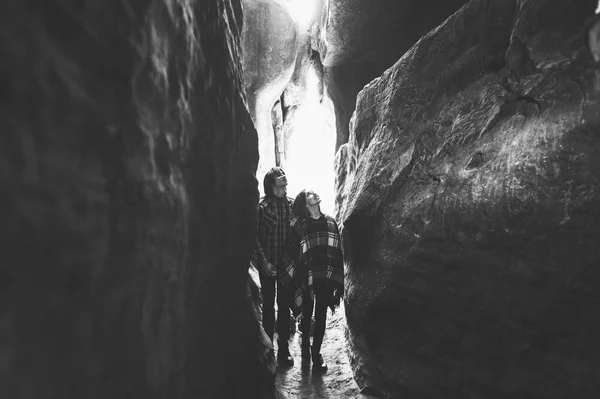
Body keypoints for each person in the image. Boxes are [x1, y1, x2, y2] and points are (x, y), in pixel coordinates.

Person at [278, 190, 344, 372]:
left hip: (325, 275)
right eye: (309, 194)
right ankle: (305, 346)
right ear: (305, 204)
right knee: (306, 314)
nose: (313, 193)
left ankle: (316, 354)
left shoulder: (330, 221)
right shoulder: (300, 225)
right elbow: (293, 251)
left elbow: (336, 252)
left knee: (321, 313)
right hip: (305, 275)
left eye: (313, 193)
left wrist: (337, 281)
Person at [255, 167, 295, 367]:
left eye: (285, 184)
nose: (284, 188)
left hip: (286, 265)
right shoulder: (262, 207)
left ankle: (284, 350)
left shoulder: (291, 205)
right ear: (271, 186)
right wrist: (263, 262)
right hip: (269, 265)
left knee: (285, 306)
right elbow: (254, 237)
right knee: (269, 307)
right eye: (280, 185)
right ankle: (269, 348)